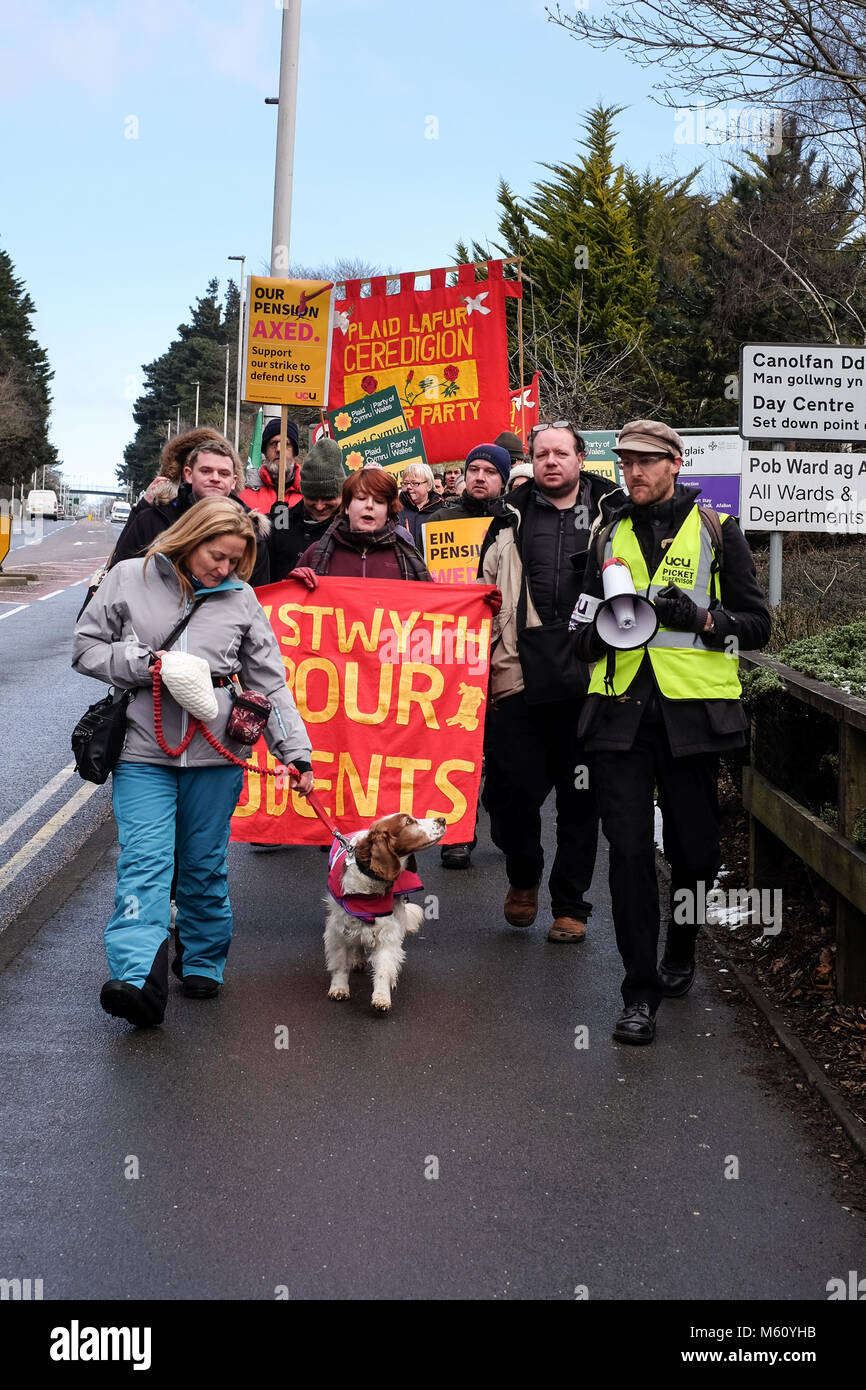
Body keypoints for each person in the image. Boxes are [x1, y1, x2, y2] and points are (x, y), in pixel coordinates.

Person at [72, 498, 314, 1029]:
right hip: (142, 753)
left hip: (216, 757)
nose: (224, 569)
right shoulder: (127, 578)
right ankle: (138, 981)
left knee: (202, 865)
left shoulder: (243, 598)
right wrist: (148, 664)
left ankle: (203, 958)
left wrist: (295, 753)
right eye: (216, 556)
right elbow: (85, 648)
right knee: (145, 863)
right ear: (191, 537)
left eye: (235, 561)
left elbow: (269, 683)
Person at [572, 419, 770, 1044]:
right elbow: (577, 633)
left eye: (648, 463)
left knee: (695, 853)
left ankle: (680, 948)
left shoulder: (719, 530)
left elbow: (757, 626)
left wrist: (706, 618)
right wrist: (597, 630)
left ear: (676, 464)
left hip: (695, 719)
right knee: (628, 853)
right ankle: (638, 994)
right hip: (619, 719)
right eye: (627, 462)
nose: (635, 473)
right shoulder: (606, 532)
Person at [479, 420, 621, 943]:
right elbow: (482, 595)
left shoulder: (613, 513)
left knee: (580, 800)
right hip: (519, 676)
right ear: (532, 461)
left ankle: (570, 906)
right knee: (511, 797)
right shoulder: (507, 517)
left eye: (562, 453)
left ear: (581, 458)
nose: (551, 462)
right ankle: (522, 876)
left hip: (590, 679)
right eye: (542, 454)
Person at [427, 442, 512, 869]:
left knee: (500, 749)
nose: (479, 477)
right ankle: (456, 834)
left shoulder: (514, 522)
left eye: (489, 471)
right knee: (454, 750)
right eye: (472, 469)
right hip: (451, 651)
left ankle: (500, 816)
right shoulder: (439, 521)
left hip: (501, 649)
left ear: (504, 478)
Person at [108, 433, 270, 585]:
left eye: (223, 473)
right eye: (206, 471)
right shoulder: (152, 520)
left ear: (233, 481)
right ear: (188, 474)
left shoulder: (252, 535)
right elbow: (119, 579)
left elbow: (258, 597)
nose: (215, 478)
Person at [291, 467, 433, 583]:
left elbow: (430, 608)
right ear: (346, 506)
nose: (369, 505)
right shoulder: (315, 553)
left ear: (389, 511)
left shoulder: (408, 558)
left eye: (379, 501)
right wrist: (296, 583)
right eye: (361, 498)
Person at [267, 437, 347, 581]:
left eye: (328, 498)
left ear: (341, 494)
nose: (319, 506)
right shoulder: (281, 519)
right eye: (312, 498)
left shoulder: (350, 528)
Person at [238, 417, 303, 513]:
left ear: (294, 452)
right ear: (265, 451)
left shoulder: (310, 495)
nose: (279, 449)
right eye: (273, 443)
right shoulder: (242, 494)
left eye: (286, 444)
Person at [398, 463, 441, 546]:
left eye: (415, 483)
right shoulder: (394, 510)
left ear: (428, 485)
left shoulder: (442, 509)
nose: (409, 487)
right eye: (405, 483)